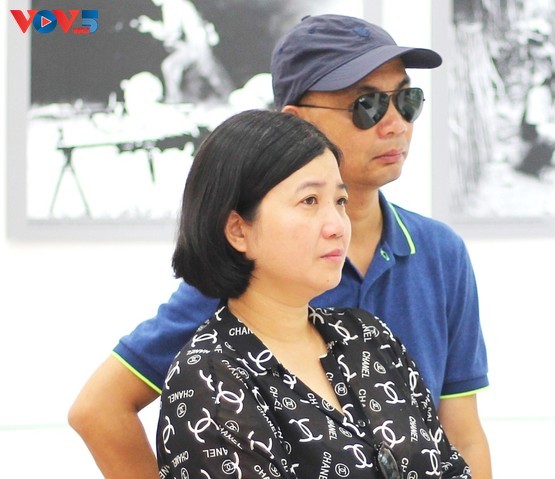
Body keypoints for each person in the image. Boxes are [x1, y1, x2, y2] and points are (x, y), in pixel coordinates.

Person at [69, 14, 492, 479]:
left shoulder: (438, 255)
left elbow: (462, 434)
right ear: (296, 122)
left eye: (407, 101)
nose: (395, 124)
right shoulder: (249, 277)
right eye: (367, 105)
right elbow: (99, 409)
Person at [155, 108, 471, 478]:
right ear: (238, 230)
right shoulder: (208, 380)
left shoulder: (368, 335)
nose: (337, 226)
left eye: (339, 201)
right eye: (309, 201)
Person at [132, 0, 233, 103]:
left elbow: (170, 33)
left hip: (198, 45)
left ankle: (230, 98)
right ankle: (175, 99)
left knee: (207, 72)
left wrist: (151, 26)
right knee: (175, 68)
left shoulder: (171, 5)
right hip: (196, 44)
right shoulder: (176, 3)